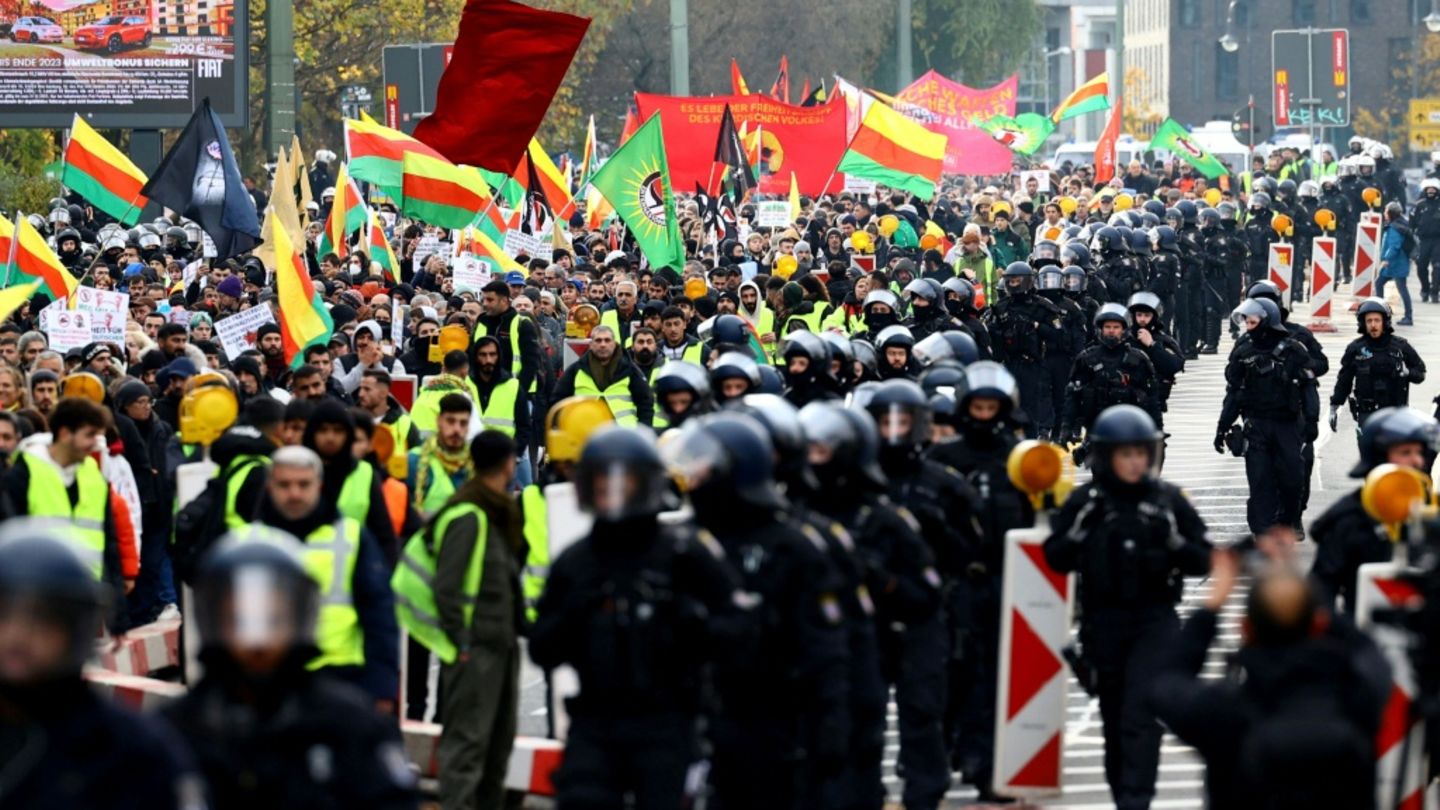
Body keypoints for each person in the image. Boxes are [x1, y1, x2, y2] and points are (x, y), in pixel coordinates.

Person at [529, 426, 749, 810]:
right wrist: (576, 616)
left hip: (666, 722)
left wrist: (689, 625)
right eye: (602, 483)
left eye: (623, 483)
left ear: (646, 485)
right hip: (596, 723)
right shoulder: (577, 562)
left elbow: (739, 632)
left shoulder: (684, 554)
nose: (612, 494)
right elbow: (541, 647)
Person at [663, 413, 848, 809]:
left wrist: (830, 730)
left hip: (775, 718)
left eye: (705, 468)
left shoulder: (793, 546)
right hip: (703, 716)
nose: (694, 478)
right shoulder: (683, 544)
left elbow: (825, 650)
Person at [163, 530, 417, 809]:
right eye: (240, 621)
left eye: (272, 621)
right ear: (214, 622)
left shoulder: (352, 727)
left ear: (299, 618)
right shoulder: (175, 733)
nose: (257, 643)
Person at [1044, 405, 1211, 810]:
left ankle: (1138, 800)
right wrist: (1080, 531)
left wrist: (1174, 543)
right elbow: (1055, 557)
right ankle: (1125, 799)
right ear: (1106, 457)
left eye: (1141, 454)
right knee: (1116, 720)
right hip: (1103, 622)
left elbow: (1203, 560)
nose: (1135, 463)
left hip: (1154, 622)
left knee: (1141, 717)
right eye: (1125, 454)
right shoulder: (1088, 502)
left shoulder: (1167, 500)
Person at [1150, 550, 1389, 809]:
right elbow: (1368, 649)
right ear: (1318, 624)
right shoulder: (1358, 695)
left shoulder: (1225, 711)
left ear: (1246, 629)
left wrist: (1213, 604)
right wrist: (1299, 586)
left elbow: (1165, 681)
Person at [0, 523, 203, 809]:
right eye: (4, 615)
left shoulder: (133, 751)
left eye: (43, 620)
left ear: (75, 629)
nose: (17, 636)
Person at [861, 380, 986, 807]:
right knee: (863, 714)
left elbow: (977, 547)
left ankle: (924, 796)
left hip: (928, 609)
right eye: (884, 420)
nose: (894, 429)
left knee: (923, 710)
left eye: (904, 421)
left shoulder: (944, 483)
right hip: (869, 614)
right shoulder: (858, 480)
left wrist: (943, 533)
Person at [392, 431, 524, 810]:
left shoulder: (495, 509)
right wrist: (461, 644)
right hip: (475, 648)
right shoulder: (469, 513)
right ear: (507, 463)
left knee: (497, 745)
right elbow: (448, 587)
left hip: (499, 644)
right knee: (466, 744)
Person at [254, 445, 399, 707]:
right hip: (269, 681)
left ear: (318, 485)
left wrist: (382, 689)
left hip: (342, 678)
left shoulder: (351, 536)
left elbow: (380, 615)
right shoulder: (250, 542)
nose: (294, 493)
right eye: (284, 485)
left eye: (303, 484)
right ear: (270, 487)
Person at [0, 397, 127, 628]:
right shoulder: (24, 473)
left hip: (84, 600)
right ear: (66, 433)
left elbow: (109, 545)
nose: (95, 443)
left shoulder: (94, 476)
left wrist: (117, 613)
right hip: (35, 601)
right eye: (89, 435)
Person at [1311, 407, 1439, 616]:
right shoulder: (1348, 519)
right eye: (1405, 453)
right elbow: (1321, 593)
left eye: (1419, 452)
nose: (1417, 461)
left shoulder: (1431, 512)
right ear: (1379, 457)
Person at [1216, 298, 1313, 535]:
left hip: (1287, 425)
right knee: (1260, 482)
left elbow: (1308, 388)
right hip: (1256, 425)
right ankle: (1262, 534)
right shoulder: (1243, 352)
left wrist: (1312, 421)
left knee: (1292, 479)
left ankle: (1288, 521)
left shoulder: (1293, 351)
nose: (1248, 326)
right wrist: (1222, 427)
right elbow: (1234, 394)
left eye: (1253, 321)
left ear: (1267, 321)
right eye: (1246, 322)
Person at [1329, 298, 1425, 439]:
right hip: (1367, 413)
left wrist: (1407, 373)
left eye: (1377, 320)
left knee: (1393, 456)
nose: (1373, 325)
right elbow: (1344, 381)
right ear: (1363, 323)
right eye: (1369, 321)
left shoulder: (1401, 347)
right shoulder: (1355, 349)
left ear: (1384, 322)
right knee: (1369, 455)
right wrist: (1334, 407)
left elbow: (1421, 373)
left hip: (1396, 413)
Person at [553, 325, 654, 427]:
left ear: (614, 344)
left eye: (607, 340)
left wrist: (642, 432)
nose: (603, 345)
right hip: (584, 434)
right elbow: (558, 401)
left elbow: (645, 404)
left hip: (623, 435)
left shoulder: (630, 370)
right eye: (598, 340)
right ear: (591, 344)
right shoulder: (576, 370)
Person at [407, 392, 474, 516]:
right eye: (450, 421)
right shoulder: (413, 461)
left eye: (463, 423)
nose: (457, 429)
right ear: (439, 421)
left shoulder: (477, 464)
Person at [1378, 201, 1415, 325]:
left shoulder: (1394, 228)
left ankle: (1406, 317)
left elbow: (1394, 246)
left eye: (1385, 211)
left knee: (1401, 289)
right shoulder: (1399, 224)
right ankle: (1383, 314)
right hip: (1397, 262)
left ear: (1390, 213)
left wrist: (1386, 260)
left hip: (1395, 263)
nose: (1384, 213)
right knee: (1380, 283)